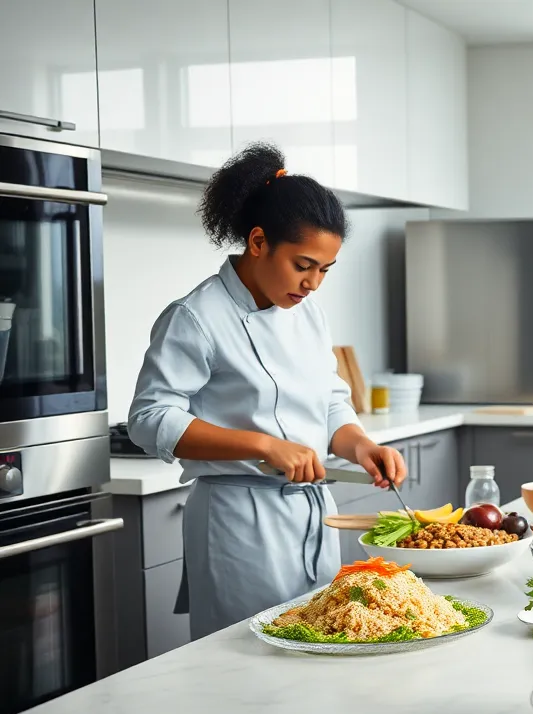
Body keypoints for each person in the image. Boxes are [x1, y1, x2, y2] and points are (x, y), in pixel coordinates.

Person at [128, 142, 408, 640]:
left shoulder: (306, 313)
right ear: (258, 242)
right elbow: (150, 418)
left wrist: (361, 444)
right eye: (303, 265)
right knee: (248, 664)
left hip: (315, 514)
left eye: (324, 269)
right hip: (238, 521)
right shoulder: (196, 317)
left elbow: (329, 400)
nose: (313, 283)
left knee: (325, 647)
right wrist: (263, 445)